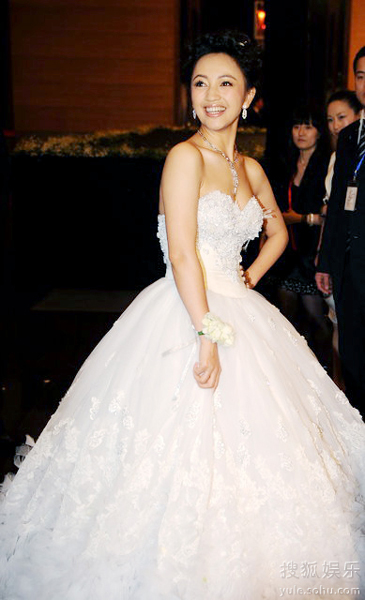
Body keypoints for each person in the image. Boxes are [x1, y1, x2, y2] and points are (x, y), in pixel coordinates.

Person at [1, 32, 364, 599]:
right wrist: (208, 330)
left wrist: (246, 279)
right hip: (184, 311)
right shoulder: (184, 157)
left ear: (248, 97)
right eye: (200, 83)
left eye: (226, 83)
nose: (212, 94)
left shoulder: (249, 169)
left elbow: (277, 231)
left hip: (238, 307)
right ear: (191, 97)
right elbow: (182, 252)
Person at [316, 47, 365, 414]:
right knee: (350, 353)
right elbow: (336, 207)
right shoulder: (349, 137)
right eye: (361, 76)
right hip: (347, 267)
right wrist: (326, 261)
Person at [269, 107, 331, 368]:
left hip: (314, 250)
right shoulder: (285, 162)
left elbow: (329, 214)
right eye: (297, 126)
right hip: (287, 251)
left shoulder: (328, 163)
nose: (301, 132)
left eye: (308, 126)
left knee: (318, 318)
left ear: (319, 132)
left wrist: (303, 218)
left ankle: (326, 367)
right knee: (287, 317)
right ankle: (294, 369)